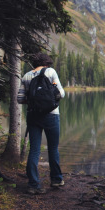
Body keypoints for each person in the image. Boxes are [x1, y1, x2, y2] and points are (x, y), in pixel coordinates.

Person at [17, 52, 65, 194]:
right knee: (53, 148)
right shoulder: (50, 72)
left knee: (34, 150)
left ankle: (33, 184)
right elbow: (61, 94)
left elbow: (20, 99)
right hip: (51, 115)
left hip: (33, 116)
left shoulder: (26, 75)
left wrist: (34, 102)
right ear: (46, 62)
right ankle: (56, 179)